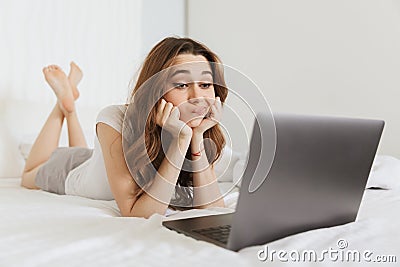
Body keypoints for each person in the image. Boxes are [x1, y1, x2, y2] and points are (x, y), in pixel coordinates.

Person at [21, 37, 228, 218]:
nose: (197, 98)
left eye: (205, 85)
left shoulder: (199, 131)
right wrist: (181, 141)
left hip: (100, 163)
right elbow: (137, 214)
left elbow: (213, 209)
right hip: (73, 170)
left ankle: (69, 103)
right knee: (28, 175)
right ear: (155, 90)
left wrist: (196, 136)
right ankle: (63, 106)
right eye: (181, 85)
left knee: (90, 156)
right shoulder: (114, 118)